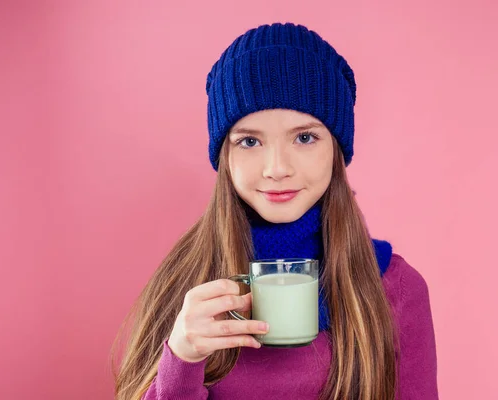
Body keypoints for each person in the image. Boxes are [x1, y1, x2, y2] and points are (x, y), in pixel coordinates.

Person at [113, 22, 438, 400]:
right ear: (225, 156)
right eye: (250, 141)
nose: (277, 168)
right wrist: (183, 360)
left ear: (336, 149)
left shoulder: (395, 289)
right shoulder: (186, 282)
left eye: (304, 137)